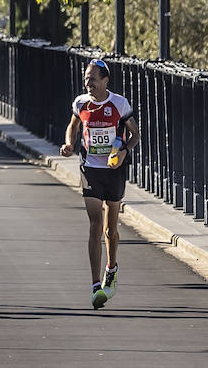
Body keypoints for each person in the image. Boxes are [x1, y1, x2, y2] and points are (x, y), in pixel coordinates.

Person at [60, 59, 140, 309]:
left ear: (106, 80)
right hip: (90, 168)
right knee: (94, 223)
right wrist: (69, 144)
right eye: (86, 78)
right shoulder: (81, 103)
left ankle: (111, 267)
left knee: (110, 229)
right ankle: (96, 284)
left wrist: (125, 150)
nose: (88, 82)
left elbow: (135, 134)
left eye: (93, 78)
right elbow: (72, 126)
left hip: (113, 169)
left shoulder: (119, 103)